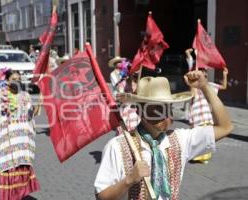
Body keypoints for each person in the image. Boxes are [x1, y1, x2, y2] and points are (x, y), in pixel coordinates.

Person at [94, 71, 233, 200]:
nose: (165, 115)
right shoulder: (118, 146)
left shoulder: (180, 140)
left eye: (168, 107)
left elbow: (225, 127)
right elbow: (102, 196)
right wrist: (128, 180)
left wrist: (204, 87)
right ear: (139, 111)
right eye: (157, 107)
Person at [0, 69, 41, 200]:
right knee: (9, 171)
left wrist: (38, 99)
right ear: (7, 81)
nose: (17, 81)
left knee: (21, 170)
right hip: (8, 142)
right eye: (13, 79)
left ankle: (18, 196)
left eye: (19, 79)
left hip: (23, 143)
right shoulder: (2, 93)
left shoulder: (25, 95)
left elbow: (32, 114)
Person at [185, 48, 229, 163]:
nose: (203, 73)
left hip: (206, 115)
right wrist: (193, 84)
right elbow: (192, 93)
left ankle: (203, 156)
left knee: (206, 135)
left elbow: (223, 87)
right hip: (197, 113)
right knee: (198, 135)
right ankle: (195, 155)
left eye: (204, 71)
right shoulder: (195, 85)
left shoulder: (210, 85)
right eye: (201, 71)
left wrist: (225, 75)